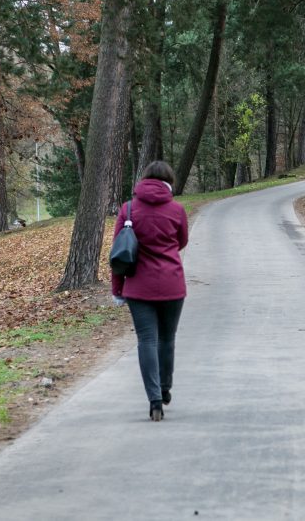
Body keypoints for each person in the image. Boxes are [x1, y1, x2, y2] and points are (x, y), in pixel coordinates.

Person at [111, 161, 188, 422]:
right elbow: (182, 241)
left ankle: (155, 400)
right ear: (169, 182)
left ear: (143, 181)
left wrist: (117, 289)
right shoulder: (176, 210)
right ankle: (165, 387)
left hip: (138, 287)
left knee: (147, 341)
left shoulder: (128, 209)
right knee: (167, 338)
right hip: (172, 284)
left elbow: (119, 253)